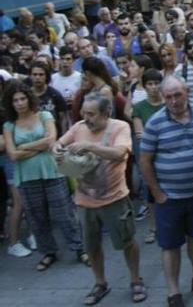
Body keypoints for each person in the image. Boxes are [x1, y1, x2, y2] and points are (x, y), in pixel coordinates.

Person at [53, 92, 146, 305]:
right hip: (84, 201)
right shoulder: (78, 127)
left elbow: (120, 153)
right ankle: (100, 283)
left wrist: (90, 146)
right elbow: (58, 143)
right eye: (84, 113)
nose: (87, 118)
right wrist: (57, 149)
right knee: (92, 246)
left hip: (115, 199)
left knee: (127, 242)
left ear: (107, 113)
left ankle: (136, 280)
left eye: (92, 114)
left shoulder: (119, 127)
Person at [139, 76, 193, 307]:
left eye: (178, 95)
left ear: (187, 92)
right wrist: (157, 194)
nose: (174, 101)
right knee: (170, 245)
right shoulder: (155, 123)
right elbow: (144, 161)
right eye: (169, 97)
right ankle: (173, 292)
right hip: (169, 197)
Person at [3, 80, 85, 270]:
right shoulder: (9, 125)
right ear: (10, 103)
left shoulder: (44, 115)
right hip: (27, 177)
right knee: (37, 217)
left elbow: (51, 140)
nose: (20, 103)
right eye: (15, 100)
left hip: (52, 172)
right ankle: (48, 252)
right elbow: (13, 155)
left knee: (64, 213)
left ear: (29, 98)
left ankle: (79, 248)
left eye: (23, 98)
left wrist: (23, 146)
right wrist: (37, 147)